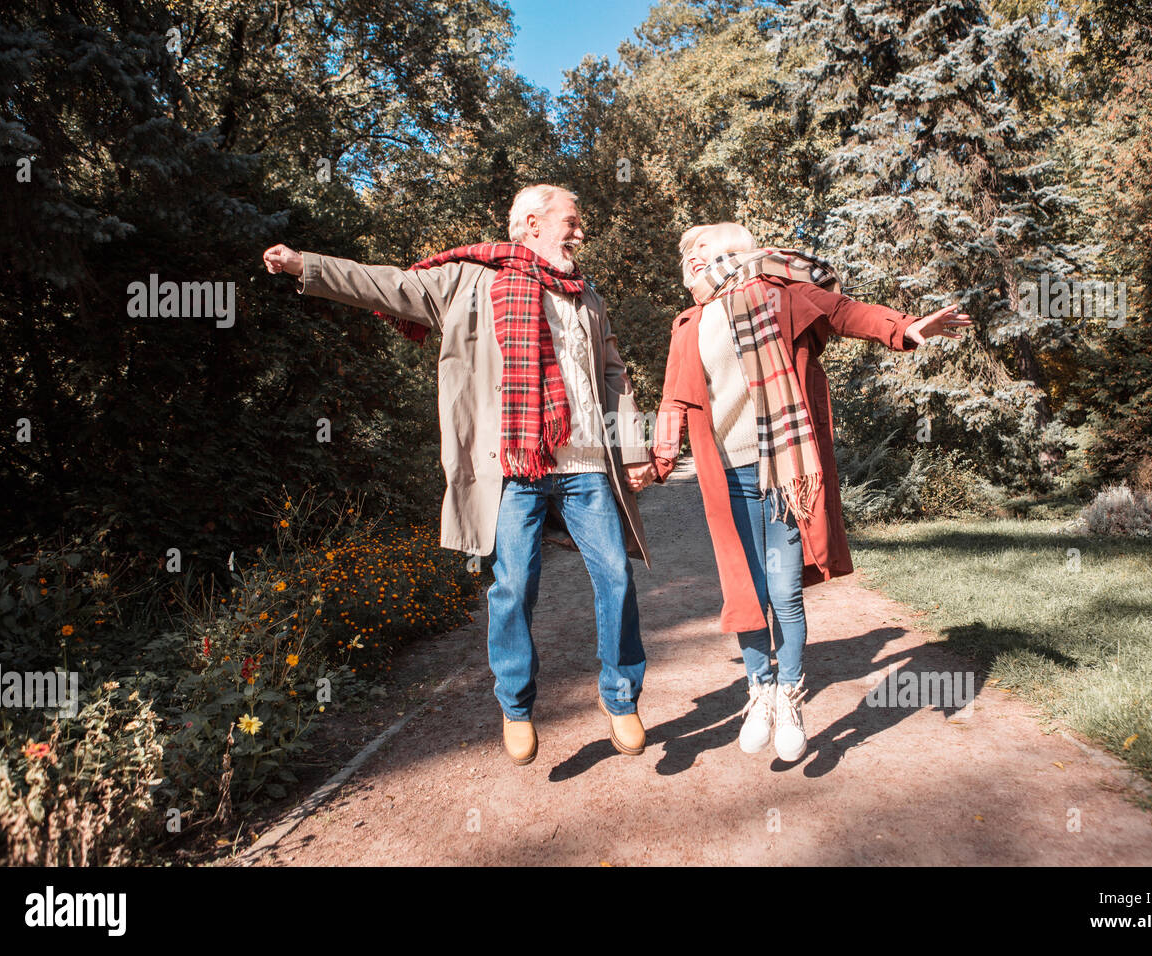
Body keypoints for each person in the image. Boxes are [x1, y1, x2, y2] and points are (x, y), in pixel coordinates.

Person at [262, 185, 658, 765]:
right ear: (530, 224)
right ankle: (517, 706)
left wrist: (632, 444)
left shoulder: (587, 295)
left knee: (617, 576)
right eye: (570, 221)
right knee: (514, 587)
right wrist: (307, 266)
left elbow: (612, 373)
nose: (578, 232)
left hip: (585, 463)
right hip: (514, 469)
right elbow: (390, 284)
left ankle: (621, 696)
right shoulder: (471, 281)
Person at [650, 223, 970, 762]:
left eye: (721, 252)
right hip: (727, 475)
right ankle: (760, 692)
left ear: (747, 254)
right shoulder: (690, 325)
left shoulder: (781, 294)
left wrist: (908, 328)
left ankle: (790, 693)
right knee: (745, 590)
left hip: (783, 470)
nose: (708, 262)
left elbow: (845, 312)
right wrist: (656, 462)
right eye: (697, 257)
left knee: (783, 588)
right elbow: (673, 403)